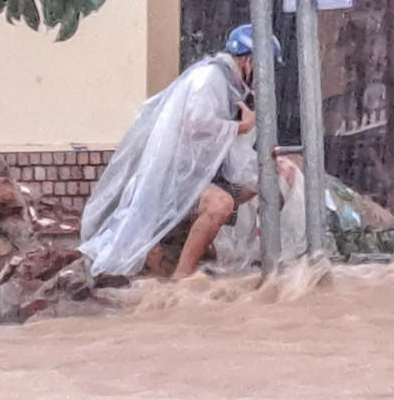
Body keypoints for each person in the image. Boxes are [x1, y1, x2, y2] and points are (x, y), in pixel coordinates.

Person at [77, 24, 293, 279]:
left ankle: (190, 245)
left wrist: (266, 162)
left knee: (258, 188)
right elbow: (195, 123)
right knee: (220, 204)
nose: (265, 79)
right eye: (264, 69)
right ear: (248, 61)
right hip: (170, 179)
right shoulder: (210, 78)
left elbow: (236, 158)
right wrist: (240, 127)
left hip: (197, 178)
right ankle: (183, 279)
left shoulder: (234, 88)